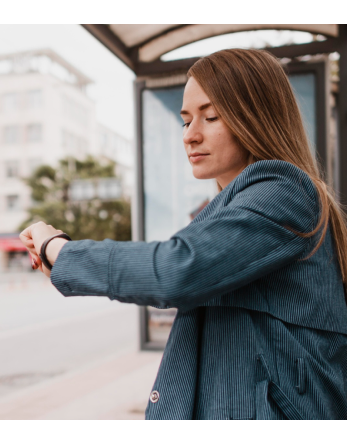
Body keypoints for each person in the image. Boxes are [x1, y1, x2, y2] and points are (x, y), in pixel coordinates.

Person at [19, 48, 347, 420]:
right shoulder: (232, 208)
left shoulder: (283, 192)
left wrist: (60, 250)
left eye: (211, 116)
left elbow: (175, 269)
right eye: (185, 120)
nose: (191, 135)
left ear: (256, 117)